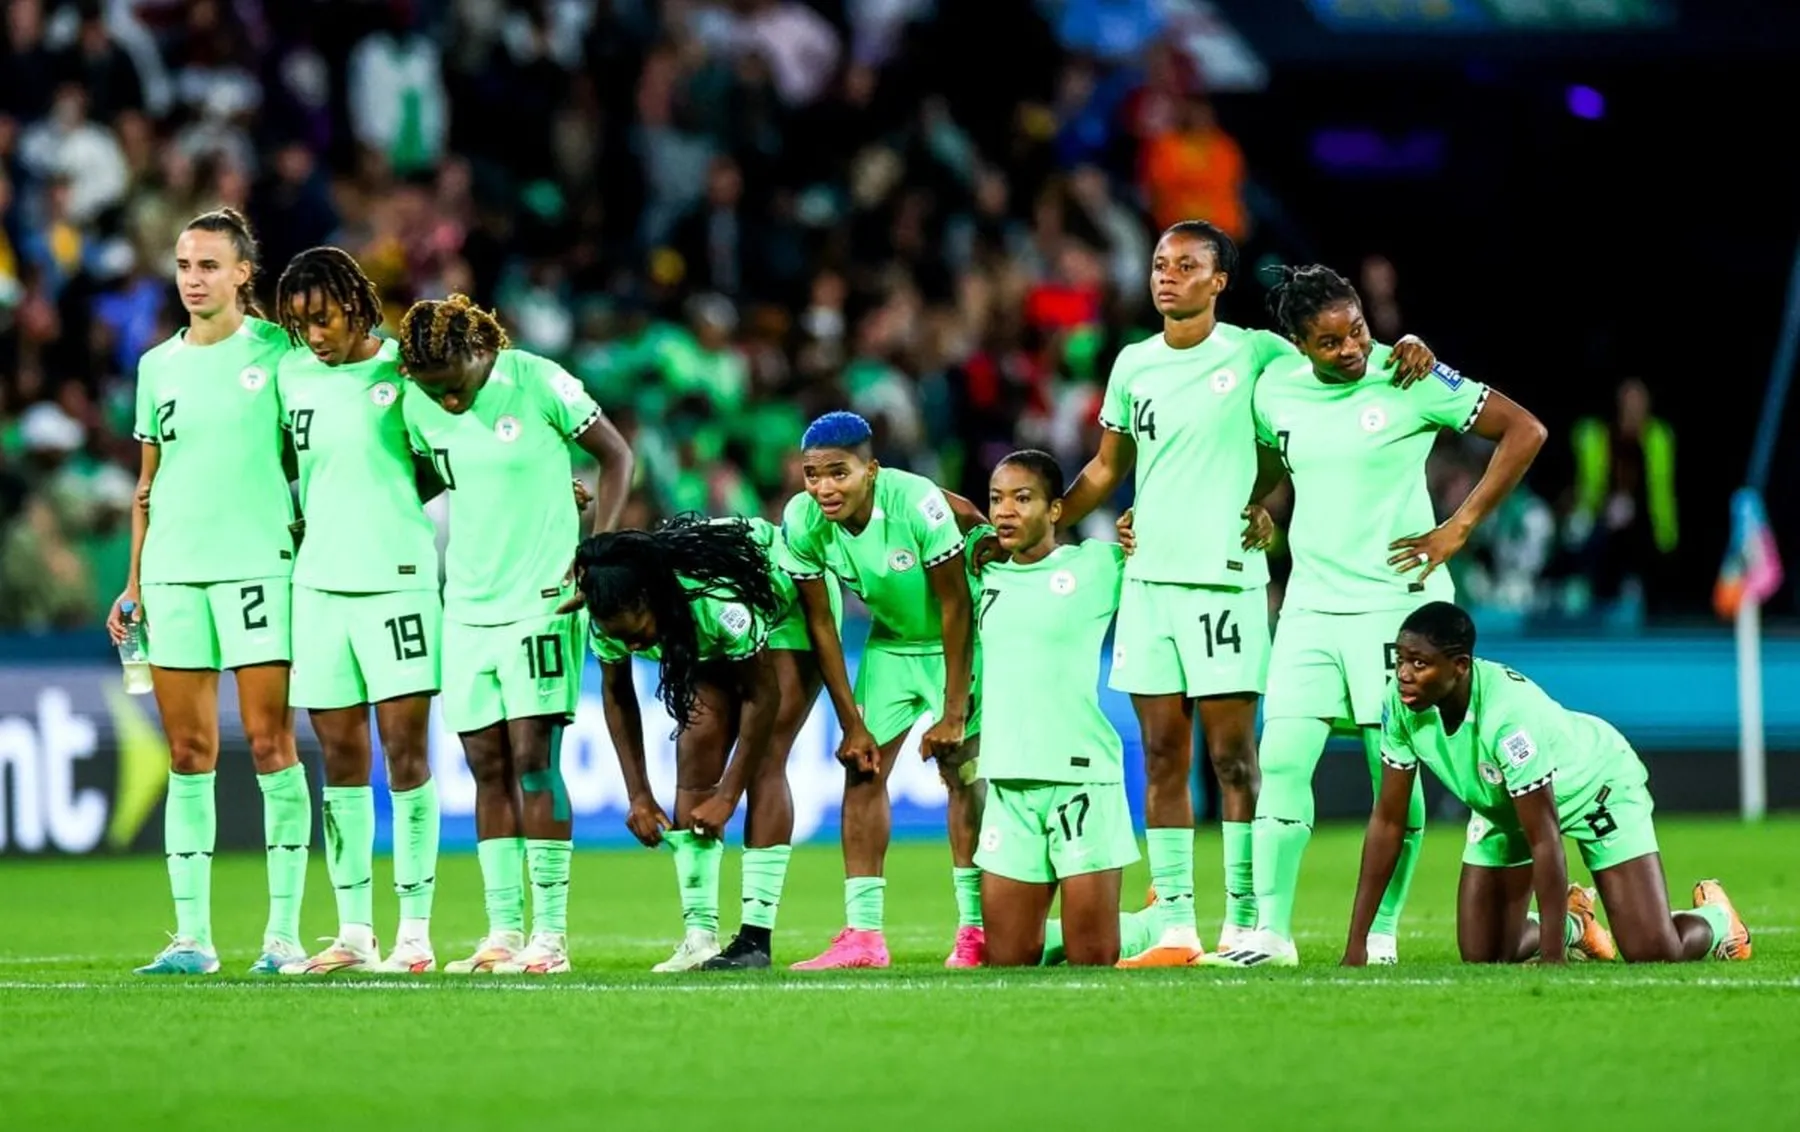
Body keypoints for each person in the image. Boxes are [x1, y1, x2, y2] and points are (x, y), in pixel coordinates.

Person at [1055, 221, 1438, 966]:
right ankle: (1175, 924)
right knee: (1161, 755)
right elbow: (1106, 469)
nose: (1167, 276)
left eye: (1186, 265)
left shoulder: (1258, 353)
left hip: (1225, 583)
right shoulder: (1134, 363)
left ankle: (1243, 921)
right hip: (1149, 581)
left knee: (1235, 759)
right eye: (1160, 264)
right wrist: (1047, 523)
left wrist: (1410, 345)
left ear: (1219, 280)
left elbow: (1330, 377)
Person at [1203, 263, 1547, 968]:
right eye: (1330, 343)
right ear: (1299, 344)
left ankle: (1382, 932)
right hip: (1309, 607)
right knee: (1282, 758)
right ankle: (1271, 935)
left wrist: (1458, 527)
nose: (1352, 349)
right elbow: (1279, 457)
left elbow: (1525, 430)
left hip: (1396, 612)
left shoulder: (1410, 373)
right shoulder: (1276, 389)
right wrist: (1261, 505)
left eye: (1357, 330)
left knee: (1390, 776)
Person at [398, 294, 633, 974]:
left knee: (534, 758)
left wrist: (596, 553)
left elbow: (616, 457)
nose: (446, 401)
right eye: (431, 390)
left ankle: (549, 937)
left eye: (453, 385)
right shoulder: (418, 404)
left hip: (543, 602)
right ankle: (502, 932)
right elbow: (427, 477)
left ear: (479, 351)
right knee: (487, 767)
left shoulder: (537, 381)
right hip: (466, 608)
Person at [109, 209, 313, 976]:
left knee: (269, 744)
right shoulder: (156, 366)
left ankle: (283, 938)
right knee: (189, 752)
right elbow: (147, 485)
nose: (192, 280)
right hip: (173, 574)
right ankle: (192, 939)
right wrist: (133, 582)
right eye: (183, 266)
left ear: (242, 274)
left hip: (258, 568)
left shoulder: (281, 354)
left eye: (208, 266)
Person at [1345, 601, 1751, 966]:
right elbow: (1389, 822)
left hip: (1596, 788)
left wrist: (1552, 956)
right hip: (1504, 807)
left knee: (1654, 951)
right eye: (1401, 660)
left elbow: (1544, 837)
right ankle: (1578, 924)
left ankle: (1717, 918)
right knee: (1485, 954)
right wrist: (1356, 945)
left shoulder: (1508, 717)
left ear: (1461, 666)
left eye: (1419, 663)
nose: (1404, 675)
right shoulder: (1399, 703)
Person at [266, 247, 444, 974]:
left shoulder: (404, 372)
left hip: (397, 581)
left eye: (325, 319)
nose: (315, 335)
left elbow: (446, 457)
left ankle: (415, 933)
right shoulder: (290, 376)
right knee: (340, 757)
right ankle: (354, 933)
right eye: (301, 323)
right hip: (317, 587)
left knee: (404, 753)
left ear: (357, 306)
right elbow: (282, 463)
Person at [580, 516, 840, 971]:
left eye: (637, 633)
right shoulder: (608, 617)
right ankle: (699, 936)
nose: (634, 645)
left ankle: (755, 940)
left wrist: (727, 797)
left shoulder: (717, 602)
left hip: (784, 607)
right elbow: (618, 695)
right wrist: (638, 794)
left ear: (650, 598)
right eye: (621, 638)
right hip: (703, 631)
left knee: (765, 758)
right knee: (695, 747)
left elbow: (763, 696)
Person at [780, 410, 989, 970]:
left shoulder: (915, 502)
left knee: (963, 773)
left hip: (956, 642)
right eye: (812, 474)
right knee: (862, 771)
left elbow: (955, 605)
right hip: (890, 644)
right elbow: (822, 623)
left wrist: (953, 712)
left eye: (838, 473)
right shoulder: (802, 520)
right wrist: (851, 723)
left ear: (870, 471)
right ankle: (864, 937)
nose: (824, 488)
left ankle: (975, 931)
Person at [972, 450, 1145, 966]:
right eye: (997, 499)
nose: (1005, 511)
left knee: (1093, 957)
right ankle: (1081, 925)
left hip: (1081, 780)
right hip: (1008, 782)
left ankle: (1153, 925)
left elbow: (1169, 547)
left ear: (1054, 510)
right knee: (1007, 960)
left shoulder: (1095, 565)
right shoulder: (982, 574)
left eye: (1022, 499)